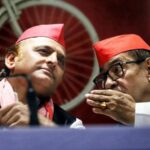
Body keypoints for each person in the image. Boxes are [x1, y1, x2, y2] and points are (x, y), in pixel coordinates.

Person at [0, 24, 84, 128]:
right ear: (12, 59)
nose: (54, 61)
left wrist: (47, 128)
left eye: (61, 61)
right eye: (43, 51)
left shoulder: (71, 125)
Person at [85, 34, 150, 126]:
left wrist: (135, 113)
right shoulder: (118, 134)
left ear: (148, 67)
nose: (108, 84)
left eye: (116, 69)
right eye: (104, 77)